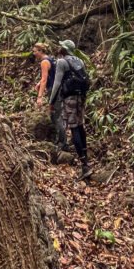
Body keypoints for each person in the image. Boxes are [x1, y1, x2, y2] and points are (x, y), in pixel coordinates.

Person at [49, 40, 92, 179]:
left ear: (65, 49)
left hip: (70, 98)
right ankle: (85, 158)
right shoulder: (79, 60)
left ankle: (84, 165)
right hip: (81, 97)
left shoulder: (62, 62)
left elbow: (57, 83)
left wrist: (51, 100)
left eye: (61, 46)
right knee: (80, 126)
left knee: (74, 128)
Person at [33, 43, 67, 150]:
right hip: (59, 89)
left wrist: (39, 97)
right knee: (54, 115)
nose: (34, 53)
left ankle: (63, 144)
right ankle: (60, 140)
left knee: (56, 116)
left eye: (35, 51)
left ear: (40, 51)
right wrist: (39, 83)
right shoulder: (51, 59)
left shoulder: (44, 62)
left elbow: (44, 80)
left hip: (54, 91)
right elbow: (51, 75)